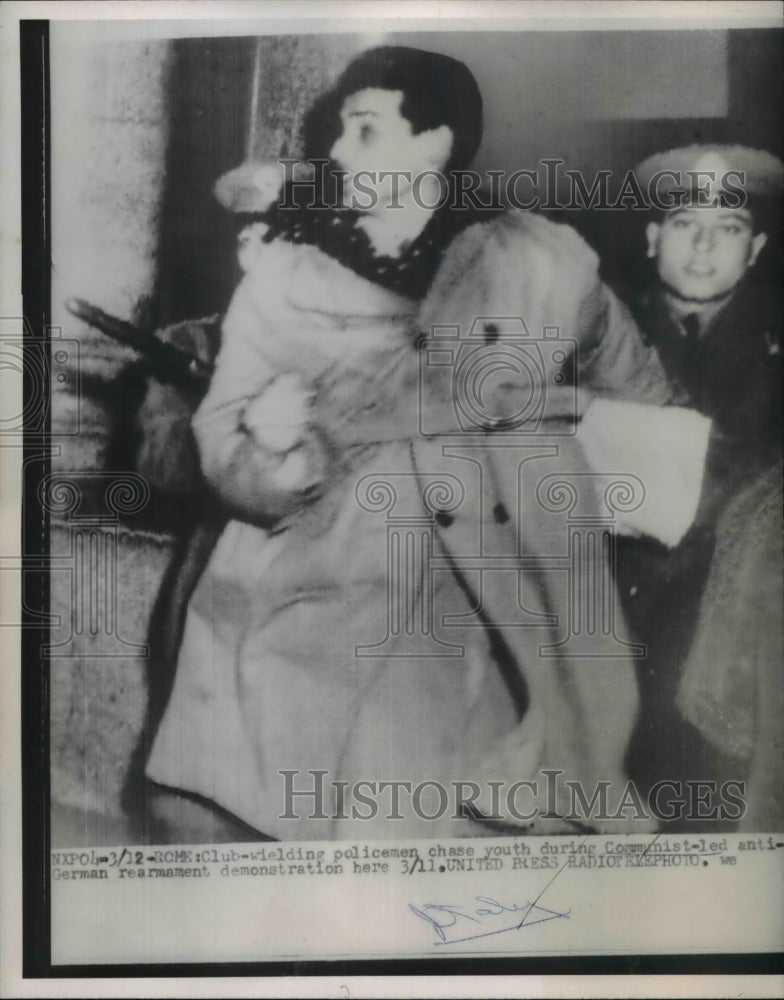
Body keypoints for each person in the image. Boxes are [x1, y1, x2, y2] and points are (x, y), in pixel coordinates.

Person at [141, 47, 710, 842]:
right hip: (308, 596)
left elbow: (651, 409)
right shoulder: (287, 280)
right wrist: (271, 446)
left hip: (486, 611)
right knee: (270, 853)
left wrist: (560, 440)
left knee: (428, 869)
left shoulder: (540, 264)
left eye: (365, 130)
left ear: (435, 144)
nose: (338, 151)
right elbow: (218, 432)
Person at [615, 145, 783, 827]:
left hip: (727, 639)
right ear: (654, 237)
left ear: (757, 247)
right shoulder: (597, 333)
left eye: (731, 227)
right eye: (686, 223)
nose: (707, 245)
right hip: (598, 619)